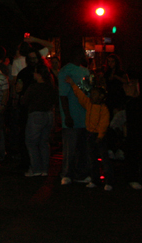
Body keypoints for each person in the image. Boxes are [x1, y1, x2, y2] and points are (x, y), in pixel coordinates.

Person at [66, 75, 114, 191]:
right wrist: (73, 84)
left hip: (98, 135)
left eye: (94, 94)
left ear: (101, 96)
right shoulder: (89, 104)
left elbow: (104, 124)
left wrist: (100, 135)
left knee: (103, 159)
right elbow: (80, 95)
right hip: (90, 134)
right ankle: (95, 180)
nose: (91, 96)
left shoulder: (103, 109)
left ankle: (108, 181)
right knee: (92, 159)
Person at [58, 46, 91, 185]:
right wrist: (67, 116)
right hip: (74, 115)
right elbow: (63, 95)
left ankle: (80, 173)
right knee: (70, 149)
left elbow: (87, 91)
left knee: (82, 148)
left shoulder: (84, 70)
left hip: (83, 115)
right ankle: (67, 174)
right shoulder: (66, 70)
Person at [21, 63, 58, 177]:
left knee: (32, 143)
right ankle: (44, 169)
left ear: (39, 75)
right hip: (48, 114)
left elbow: (24, 102)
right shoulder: (50, 86)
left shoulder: (34, 87)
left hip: (36, 115)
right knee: (44, 142)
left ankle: (36, 168)